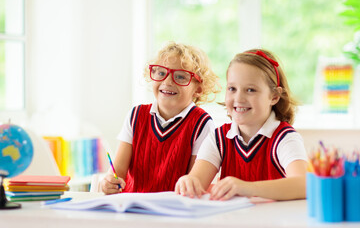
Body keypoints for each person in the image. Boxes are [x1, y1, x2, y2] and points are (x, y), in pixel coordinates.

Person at [175, 49, 308, 201]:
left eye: (250, 90)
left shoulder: (284, 137)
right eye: (232, 89)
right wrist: (188, 182)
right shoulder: (218, 138)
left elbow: (304, 184)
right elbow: (197, 180)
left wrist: (247, 188)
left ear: (274, 96)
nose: (239, 98)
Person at [100, 41, 221, 194]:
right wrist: (109, 182)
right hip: (132, 208)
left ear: (198, 89)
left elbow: (194, 183)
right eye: (161, 73)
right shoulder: (136, 115)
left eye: (180, 77)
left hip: (174, 211)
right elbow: (117, 172)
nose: (168, 82)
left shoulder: (202, 124)